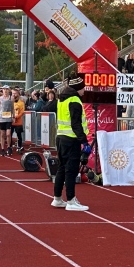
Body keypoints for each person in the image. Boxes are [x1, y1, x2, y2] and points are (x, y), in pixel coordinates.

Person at [51, 76, 91, 212]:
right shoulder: (74, 100)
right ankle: (71, 200)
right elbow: (76, 124)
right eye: (83, 87)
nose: (85, 90)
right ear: (79, 87)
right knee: (71, 170)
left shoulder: (62, 99)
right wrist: (84, 142)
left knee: (62, 168)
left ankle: (57, 198)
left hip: (61, 137)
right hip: (71, 139)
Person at [0, 86, 15, 155]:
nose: (5, 91)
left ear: (9, 90)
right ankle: (2, 148)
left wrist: (13, 116)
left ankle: (9, 147)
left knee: (8, 133)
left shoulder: (11, 98)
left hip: (9, 117)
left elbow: (12, 108)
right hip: (2, 118)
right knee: (2, 134)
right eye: (4, 89)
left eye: (7, 89)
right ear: (2, 90)